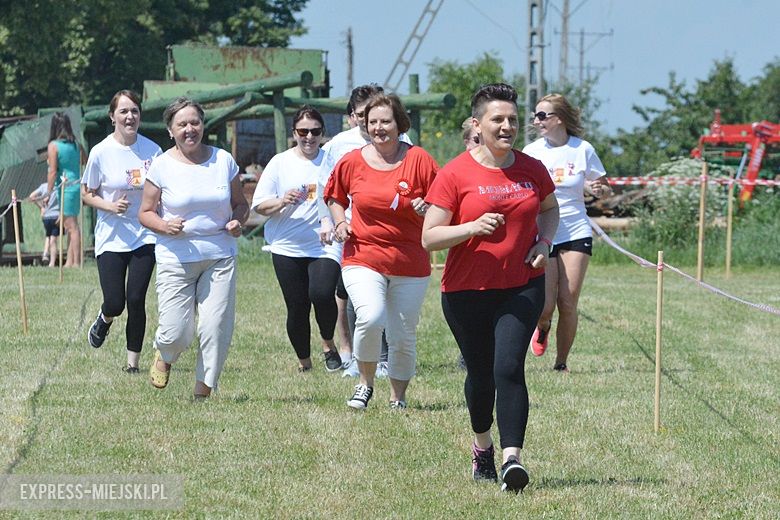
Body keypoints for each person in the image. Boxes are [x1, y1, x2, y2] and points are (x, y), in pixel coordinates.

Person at [422, 83, 559, 493]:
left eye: (513, 120)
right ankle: (482, 444)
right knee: (481, 375)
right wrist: (470, 228)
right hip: (466, 291)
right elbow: (429, 237)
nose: (507, 126)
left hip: (521, 285)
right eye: (497, 120)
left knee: (508, 369)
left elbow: (550, 211)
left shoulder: (532, 168)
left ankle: (512, 459)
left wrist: (544, 243)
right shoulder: (455, 173)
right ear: (477, 125)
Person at [325, 93, 437, 410]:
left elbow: (444, 202)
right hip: (363, 255)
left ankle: (398, 397)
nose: (378, 128)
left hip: (410, 261)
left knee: (403, 334)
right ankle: (364, 383)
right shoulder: (352, 161)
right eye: (372, 122)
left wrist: (426, 208)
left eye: (385, 121)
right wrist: (339, 223)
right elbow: (335, 196)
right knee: (371, 316)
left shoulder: (420, 160)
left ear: (399, 123)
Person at [139, 97, 248, 398]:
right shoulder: (160, 166)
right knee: (176, 332)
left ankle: (203, 391)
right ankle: (165, 354)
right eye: (182, 124)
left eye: (195, 122)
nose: (190, 129)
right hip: (176, 255)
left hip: (220, 254)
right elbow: (145, 212)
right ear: (171, 131)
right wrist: (164, 226)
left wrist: (237, 222)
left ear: (203, 125)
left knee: (215, 327)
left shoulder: (223, 161)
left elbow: (240, 204)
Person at [317, 84, 413, 378]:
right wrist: (330, 222)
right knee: (352, 294)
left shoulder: (406, 144)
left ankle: (383, 357)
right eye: (363, 117)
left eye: (379, 118)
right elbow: (327, 187)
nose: (370, 123)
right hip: (348, 229)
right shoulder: (339, 146)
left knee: (382, 297)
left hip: (393, 232)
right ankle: (351, 354)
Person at [522, 93, 611, 373]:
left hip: (576, 228)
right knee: (546, 306)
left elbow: (603, 186)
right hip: (543, 232)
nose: (536, 121)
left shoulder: (582, 149)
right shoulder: (532, 151)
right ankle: (543, 326)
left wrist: (599, 190)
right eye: (535, 115)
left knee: (568, 301)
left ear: (558, 118)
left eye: (541, 115)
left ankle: (561, 363)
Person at [251, 106, 342, 373]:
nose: (309, 137)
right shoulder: (280, 162)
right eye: (303, 131)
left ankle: (328, 344)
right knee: (297, 306)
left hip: (324, 244)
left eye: (315, 131)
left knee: (322, 293)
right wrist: (282, 200)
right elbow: (259, 206)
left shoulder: (332, 162)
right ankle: (305, 363)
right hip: (287, 245)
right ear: (294, 133)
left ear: (322, 133)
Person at [81, 90, 162, 372]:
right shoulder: (101, 152)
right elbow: (86, 193)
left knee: (136, 299)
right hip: (112, 237)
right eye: (124, 111)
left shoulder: (153, 151)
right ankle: (104, 319)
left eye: (135, 111)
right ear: (112, 116)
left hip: (145, 234)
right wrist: (109, 205)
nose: (130, 117)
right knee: (116, 302)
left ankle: (132, 364)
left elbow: (164, 189)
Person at [46, 112, 82, 267]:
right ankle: (69, 261)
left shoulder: (54, 146)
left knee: (72, 227)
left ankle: (76, 262)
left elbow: (53, 171)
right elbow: (85, 160)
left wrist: (48, 193)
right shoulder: (76, 144)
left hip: (65, 188)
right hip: (76, 185)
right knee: (70, 224)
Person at [27, 182, 59, 267]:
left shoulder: (43, 186)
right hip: (56, 215)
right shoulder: (59, 186)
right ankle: (52, 263)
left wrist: (41, 207)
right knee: (53, 238)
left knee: (48, 235)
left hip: (46, 216)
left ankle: (45, 253)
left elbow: (31, 196)